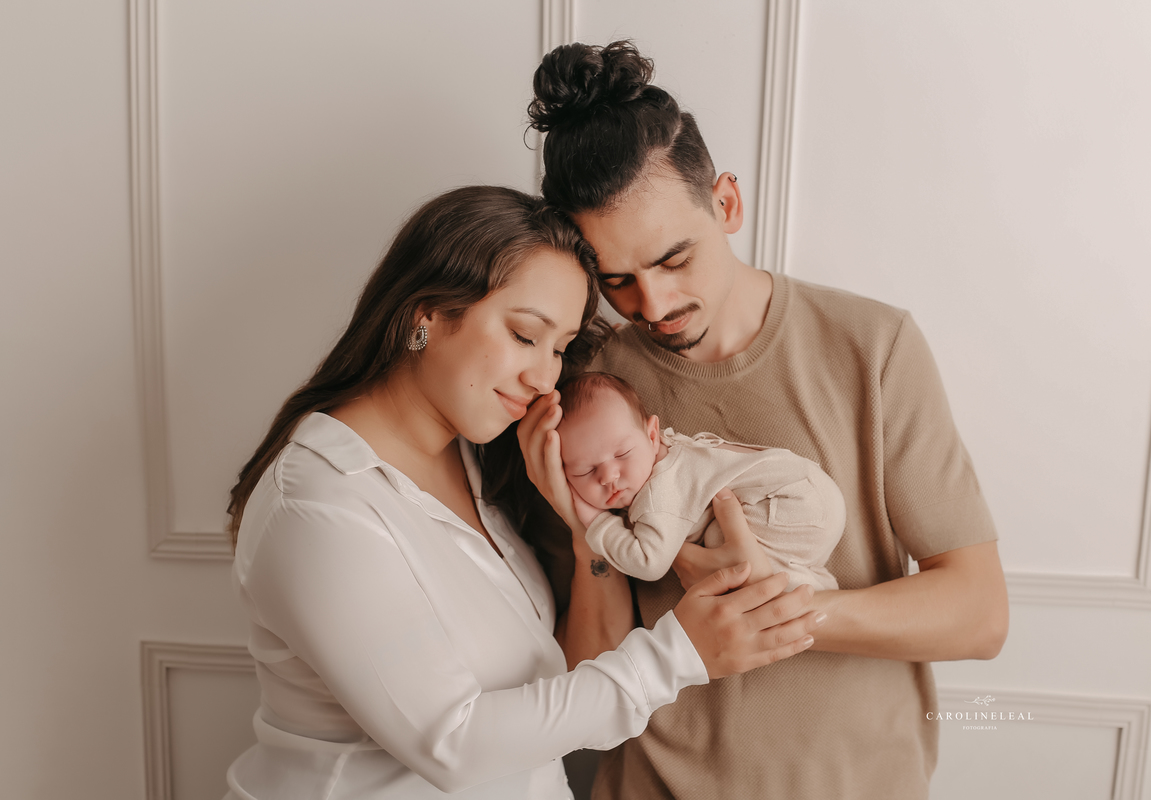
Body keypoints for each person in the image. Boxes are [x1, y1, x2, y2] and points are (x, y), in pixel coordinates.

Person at [220, 186, 825, 800]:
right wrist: (681, 655)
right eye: (524, 335)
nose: (544, 377)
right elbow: (452, 744)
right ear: (425, 316)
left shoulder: (472, 459)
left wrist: (581, 517)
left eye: (559, 349)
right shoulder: (317, 506)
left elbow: (566, 682)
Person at [521, 42, 1010, 798]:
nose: (653, 304)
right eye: (616, 281)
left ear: (726, 204)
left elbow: (979, 616)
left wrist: (777, 604)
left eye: (674, 259)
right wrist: (580, 522)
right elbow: (590, 683)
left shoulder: (872, 346)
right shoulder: (590, 392)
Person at [555, 371, 843, 590]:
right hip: (812, 490)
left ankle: (809, 591)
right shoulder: (668, 452)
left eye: (622, 454)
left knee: (722, 540)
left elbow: (649, 563)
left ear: (652, 436)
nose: (608, 476)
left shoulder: (657, 494)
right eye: (584, 471)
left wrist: (596, 521)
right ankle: (814, 579)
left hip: (790, 501)